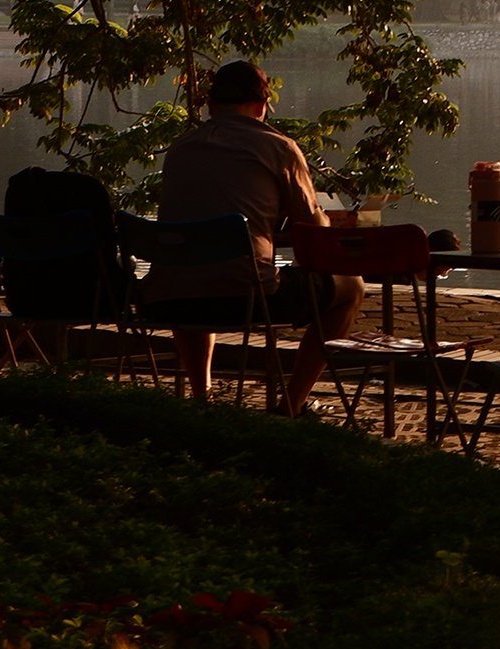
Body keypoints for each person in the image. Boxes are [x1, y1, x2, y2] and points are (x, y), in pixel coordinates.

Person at [140, 60, 362, 413]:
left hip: (168, 298)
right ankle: (290, 405)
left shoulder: (181, 149)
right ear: (261, 106)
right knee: (351, 287)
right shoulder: (279, 147)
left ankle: (202, 398)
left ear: (210, 106)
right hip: (245, 296)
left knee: (195, 272)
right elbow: (314, 233)